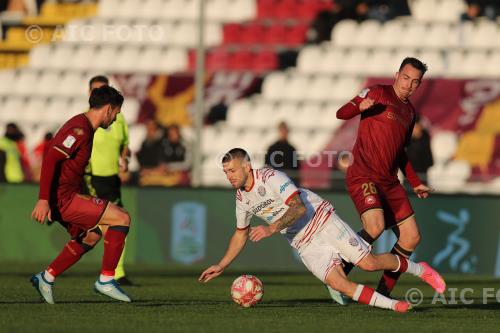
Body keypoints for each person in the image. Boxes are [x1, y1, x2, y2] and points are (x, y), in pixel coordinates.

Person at [199, 148, 445, 313]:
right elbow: (240, 232)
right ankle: (394, 306)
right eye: (225, 173)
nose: (229, 177)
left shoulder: (270, 177)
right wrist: (222, 265)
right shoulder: (242, 198)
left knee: (368, 264)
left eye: (232, 171)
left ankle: (420, 270)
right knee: (339, 283)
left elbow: (297, 208)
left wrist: (271, 228)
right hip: (303, 243)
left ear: (246, 166)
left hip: (320, 220)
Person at [336, 57, 434, 300]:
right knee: (375, 226)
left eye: (415, 82)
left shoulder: (410, 113)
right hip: (364, 174)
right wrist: (359, 107)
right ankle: (338, 273)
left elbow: (401, 152)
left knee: (412, 237)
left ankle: (383, 293)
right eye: (406, 78)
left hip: (390, 182)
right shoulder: (378, 92)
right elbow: (341, 113)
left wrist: (415, 181)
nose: (409, 85)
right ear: (397, 74)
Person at [30, 85, 132, 304]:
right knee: (121, 218)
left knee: (92, 235)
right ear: (108, 109)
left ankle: (46, 277)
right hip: (63, 198)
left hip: (68, 195)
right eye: (116, 113)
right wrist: (43, 199)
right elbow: (50, 159)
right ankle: (106, 280)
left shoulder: (85, 127)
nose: (115, 119)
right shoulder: (80, 129)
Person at [83, 75, 133, 285]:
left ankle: (116, 273)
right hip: (92, 177)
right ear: (90, 94)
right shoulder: (87, 120)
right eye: (97, 90)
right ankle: (110, 275)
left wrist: (125, 161)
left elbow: (125, 145)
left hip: (112, 179)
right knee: (104, 227)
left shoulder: (118, 119)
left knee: (117, 224)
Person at [406, 114, 433, 183]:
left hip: (422, 171)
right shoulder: (408, 137)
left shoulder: (424, 137)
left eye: (416, 127)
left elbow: (427, 157)